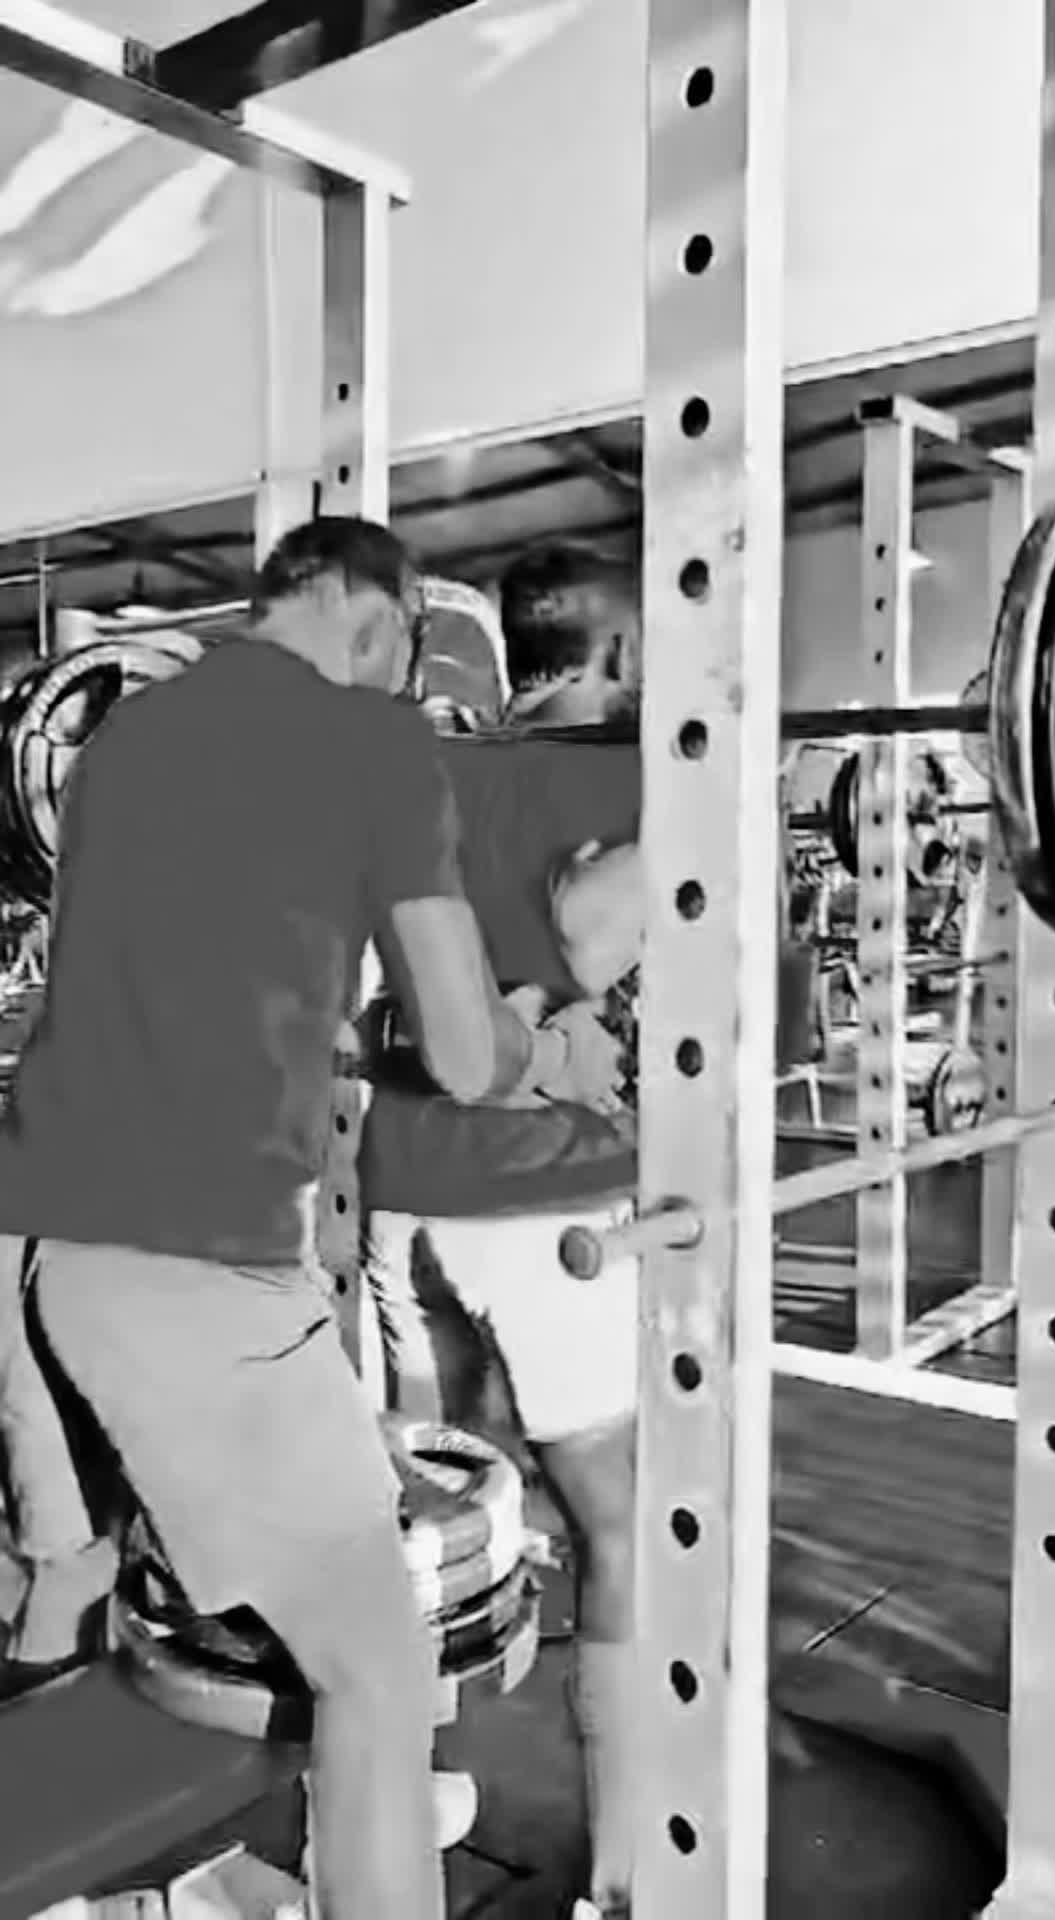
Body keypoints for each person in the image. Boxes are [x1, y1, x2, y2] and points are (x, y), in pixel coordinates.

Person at [0, 517, 623, 1920]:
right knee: (379, 1670)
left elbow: (211, 970)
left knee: (75, 1577)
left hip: (27, 1238)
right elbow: (464, 1053)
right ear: (379, 622)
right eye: (407, 666)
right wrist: (553, 1051)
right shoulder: (373, 739)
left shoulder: (123, 738)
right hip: (186, 1265)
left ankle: (125, 1889)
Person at [362, 541, 643, 1920]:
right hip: (549, 1210)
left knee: (420, 1516)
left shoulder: (413, 777)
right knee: (625, 1528)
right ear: (620, 657)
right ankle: (636, 1874)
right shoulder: (649, 782)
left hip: (401, 1203)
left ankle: (388, 1815)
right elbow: (703, 1004)